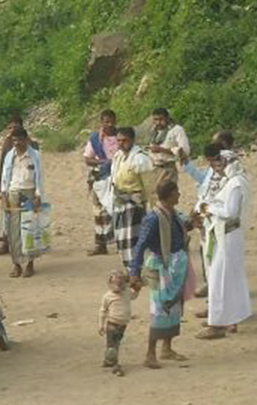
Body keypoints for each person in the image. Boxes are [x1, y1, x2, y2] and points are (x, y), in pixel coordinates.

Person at [131, 179, 191, 370]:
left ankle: (166, 348)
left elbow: (176, 233)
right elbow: (140, 246)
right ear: (170, 195)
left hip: (173, 268)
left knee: (172, 308)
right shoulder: (153, 218)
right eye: (177, 192)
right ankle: (150, 353)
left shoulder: (171, 214)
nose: (179, 195)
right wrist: (134, 272)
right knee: (159, 309)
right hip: (160, 268)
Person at [197, 148, 252, 339]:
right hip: (220, 233)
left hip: (228, 234)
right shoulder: (228, 182)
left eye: (221, 164)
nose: (217, 168)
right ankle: (227, 319)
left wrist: (209, 208)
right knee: (225, 278)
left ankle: (218, 323)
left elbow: (230, 211)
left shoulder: (236, 183)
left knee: (221, 278)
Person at [0, 130, 45, 278]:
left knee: (30, 229)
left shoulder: (35, 155)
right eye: (14, 140)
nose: (17, 143)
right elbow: (5, 177)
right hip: (13, 193)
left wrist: (38, 195)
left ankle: (30, 264)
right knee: (14, 231)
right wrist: (4, 196)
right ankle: (16, 264)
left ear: (26, 140)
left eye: (20, 140)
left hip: (30, 192)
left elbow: (40, 177)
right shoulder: (10, 156)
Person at [109, 125, 156, 275]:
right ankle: (129, 269)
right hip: (119, 202)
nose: (121, 143)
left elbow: (149, 187)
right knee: (122, 240)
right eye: (119, 141)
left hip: (134, 205)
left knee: (134, 239)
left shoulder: (140, 159)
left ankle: (135, 271)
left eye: (124, 140)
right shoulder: (118, 156)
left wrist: (146, 204)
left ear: (132, 140)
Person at [81, 110, 120, 256]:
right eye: (106, 122)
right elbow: (87, 159)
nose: (109, 125)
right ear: (101, 122)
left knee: (117, 209)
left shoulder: (121, 136)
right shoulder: (96, 138)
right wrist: (105, 162)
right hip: (100, 177)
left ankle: (120, 242)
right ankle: (100, 244)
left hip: (119, 178)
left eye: (111, 122)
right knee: (98, 212)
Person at [99, 271, 133, 377]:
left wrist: (138, 289)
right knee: (112, 345)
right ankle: (115, 365)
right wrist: (101, 325)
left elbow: (133, 296)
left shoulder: (127, 292)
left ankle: (108, 360)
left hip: (123, 323)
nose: (117, 286)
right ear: (109, 284)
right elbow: (102, 310)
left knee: (116, 343)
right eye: (114, 283)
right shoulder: (107, 296)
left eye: (120, 283)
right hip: (112, 323)